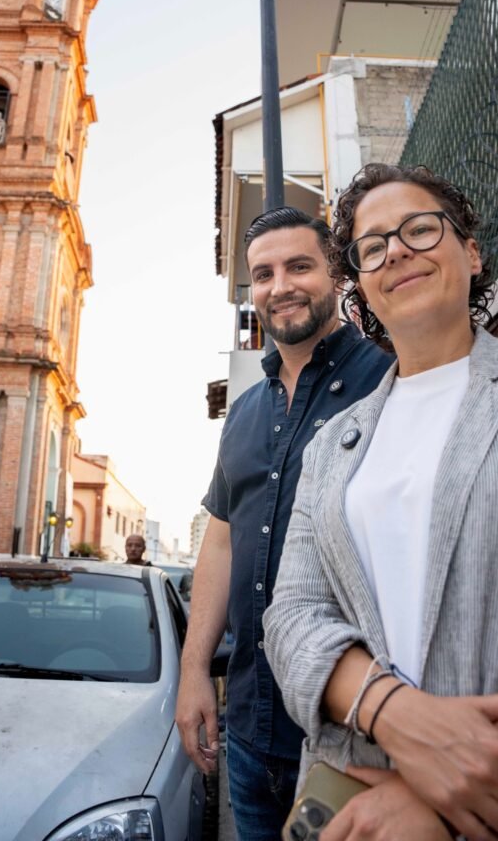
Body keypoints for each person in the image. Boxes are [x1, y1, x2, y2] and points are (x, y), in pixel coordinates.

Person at [263, 163, 498, 841]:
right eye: (373, 247)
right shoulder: (335, 441)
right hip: (350, 804)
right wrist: (392, 714)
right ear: (362, 287)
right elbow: (292, 617)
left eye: (420, 229)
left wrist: (449, 787)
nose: (397, 250)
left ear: (472, 252)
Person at [175, 207, 394, 841]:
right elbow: (221, 542)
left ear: (337, 275)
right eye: (263, 274)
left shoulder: (388, 381)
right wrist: (194, 674)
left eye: (300, 266)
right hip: (246, 728)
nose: (281, 286)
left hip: (349, 737)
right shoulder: (243, 412)